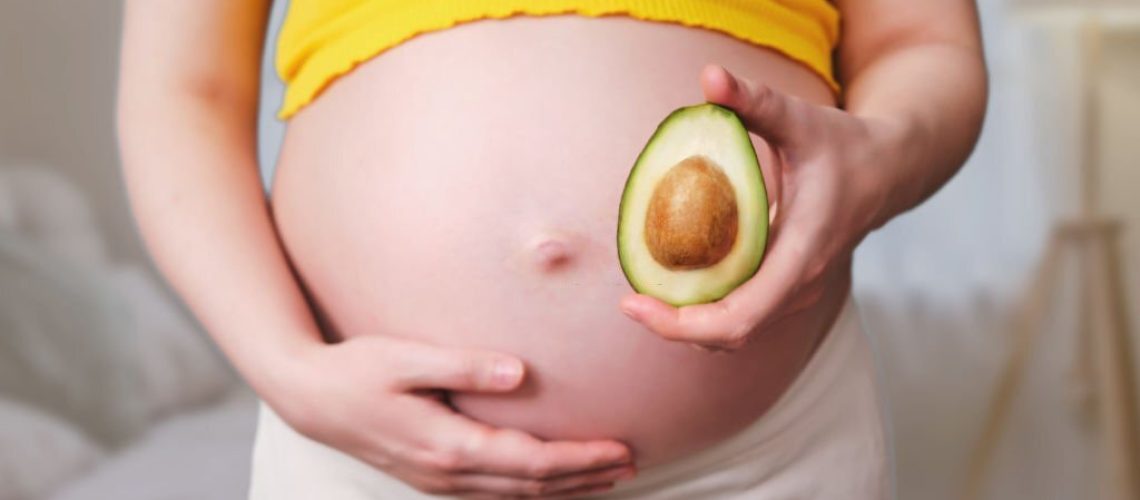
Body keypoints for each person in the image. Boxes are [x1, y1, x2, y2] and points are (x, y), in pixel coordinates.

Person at [117, 1, 987, 498]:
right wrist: (286, 370)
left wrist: (880, 155)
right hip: (367, 458)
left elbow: (922, 45)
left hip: (758, 460)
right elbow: (182, 91)